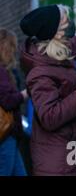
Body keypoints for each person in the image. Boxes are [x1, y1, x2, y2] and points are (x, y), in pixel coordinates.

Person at [20, 5, 76, 176]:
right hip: (56, 160)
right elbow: (49, 116)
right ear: (57, 32)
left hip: (71, 150)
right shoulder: (40, 72)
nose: (70, 21)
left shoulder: (60, 50)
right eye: (65, 19)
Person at [0, 29, 28, 176]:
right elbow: (7, 101)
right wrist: (25, 94)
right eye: (13, 47)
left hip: (8, 133)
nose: (15, 51)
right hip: (5, 133)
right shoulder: (1, 71)